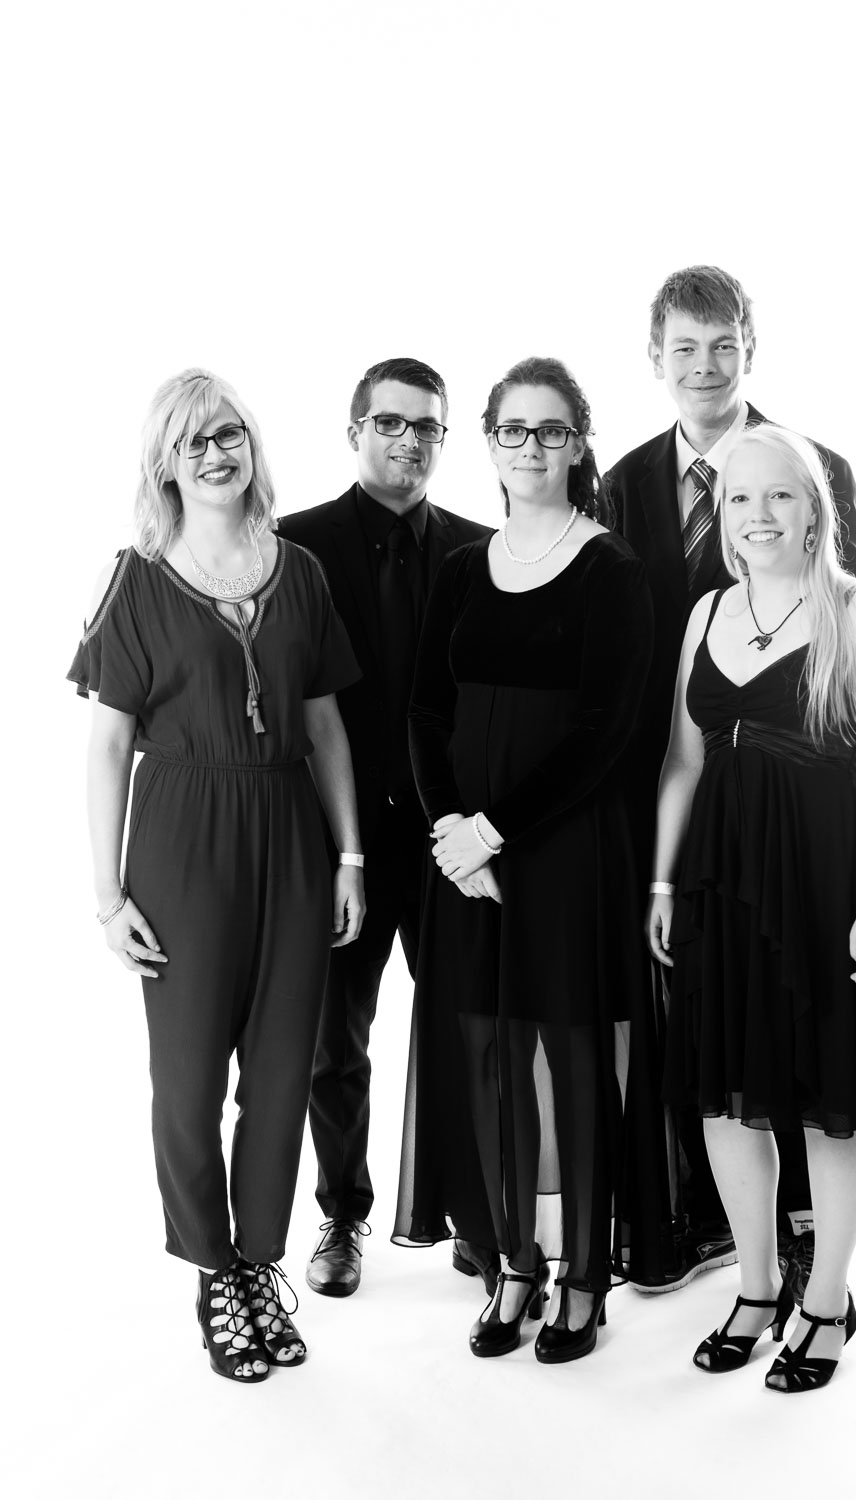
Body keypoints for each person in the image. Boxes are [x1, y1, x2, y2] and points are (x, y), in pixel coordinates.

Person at [69, 369, 365, 1383]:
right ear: (164, 461)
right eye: (190, 440)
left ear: (251, 443)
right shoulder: (135, 579)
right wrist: (107, 896)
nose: (212, 453)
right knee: (190, 1079)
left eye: (227, 432)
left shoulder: (300, 571)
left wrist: (349, 856)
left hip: (290, 833)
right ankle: (212, 1270)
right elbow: (108, 746)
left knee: (282, 1074)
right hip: (182, 840)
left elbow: (326, 725)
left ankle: (258, 1264)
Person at [393, 357, 672, 1363]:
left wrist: (493, 829)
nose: (531, 448)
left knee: (572, 1057)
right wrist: (449, 833)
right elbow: (424, 711)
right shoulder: (463, 569)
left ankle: (584, 1278)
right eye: (513, 430)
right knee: (487, 1055)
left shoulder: (612, 570)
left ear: (578, 442)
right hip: (463, 860)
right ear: (490, 442)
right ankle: (516, 1263)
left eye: (551, 431)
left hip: (565, 849)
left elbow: (604, 733)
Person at [604, 265, 856, 1298]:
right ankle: (716, 1227)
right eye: (684, 347)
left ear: (748, 349)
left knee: (801, 1020)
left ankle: (807, 1242)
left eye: (722, 346)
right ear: (655, 357)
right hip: (680, 790)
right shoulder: (622, 481)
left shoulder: (814, 467)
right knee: (706, 1022)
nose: (704, 366)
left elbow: (852, 641)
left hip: (799, 808)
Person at [647, 423, 856, 1391]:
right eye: (739, 498)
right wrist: (661, 882)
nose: (757, 514)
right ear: (721, 515)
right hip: (718, 884)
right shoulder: (706, 612)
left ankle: (825, 1301)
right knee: (726, 1098)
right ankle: (756, 1291)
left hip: (822, 888)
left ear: (812, 512)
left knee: (828, 1106)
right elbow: (681, 763)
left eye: (778, 496)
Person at [279, 358, 493, 1298]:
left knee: (468, 1031)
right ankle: (341, 1216)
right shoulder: (293, 545)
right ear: (355, 430)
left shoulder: (483, 549)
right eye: (391, 422)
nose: (409, 440)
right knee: (336, 1045)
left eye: (427, 426)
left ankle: (475, 1218)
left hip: (451, 841)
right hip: (340, 845)